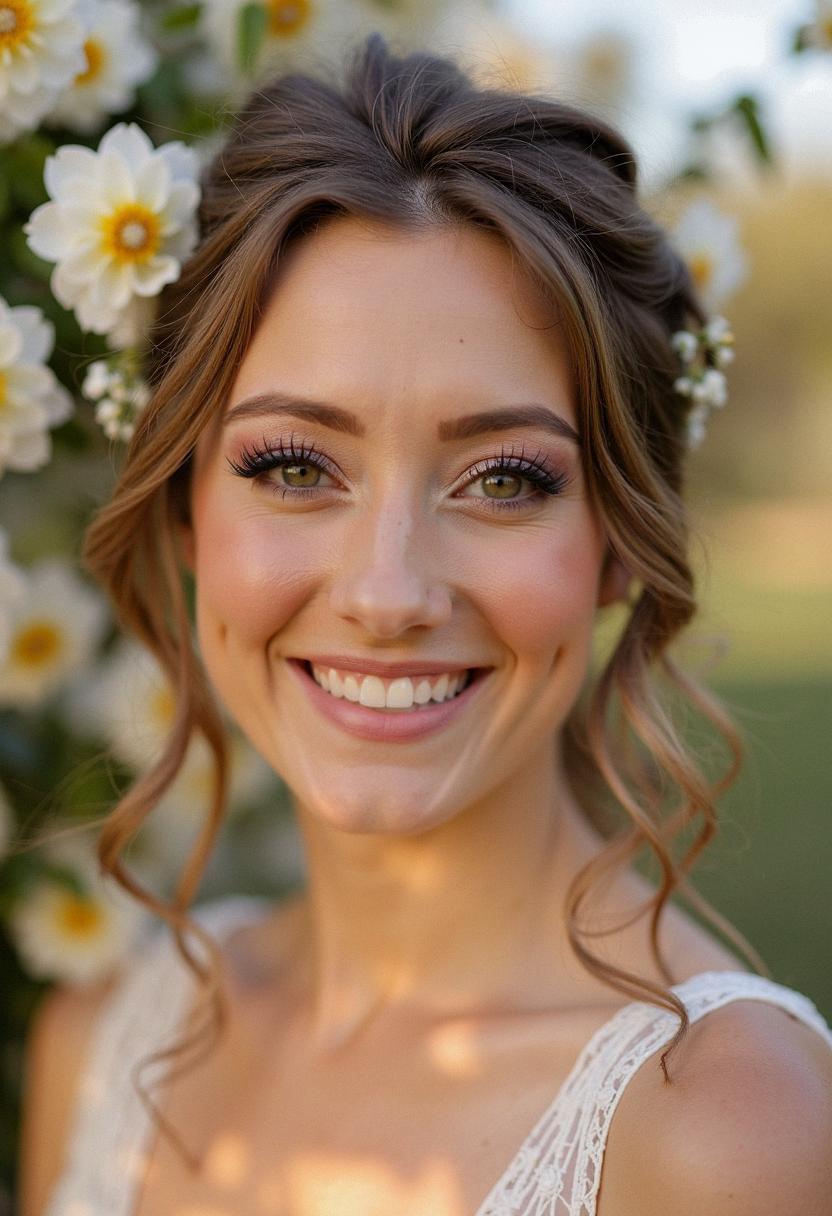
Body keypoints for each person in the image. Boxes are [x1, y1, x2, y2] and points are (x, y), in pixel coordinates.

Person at [19, 32, 832, 1216]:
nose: (388, 594)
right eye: (296, 465)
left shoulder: (726, 1136)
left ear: (617, 539)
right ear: (185, 504)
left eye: (504, 480)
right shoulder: (100, 1047)